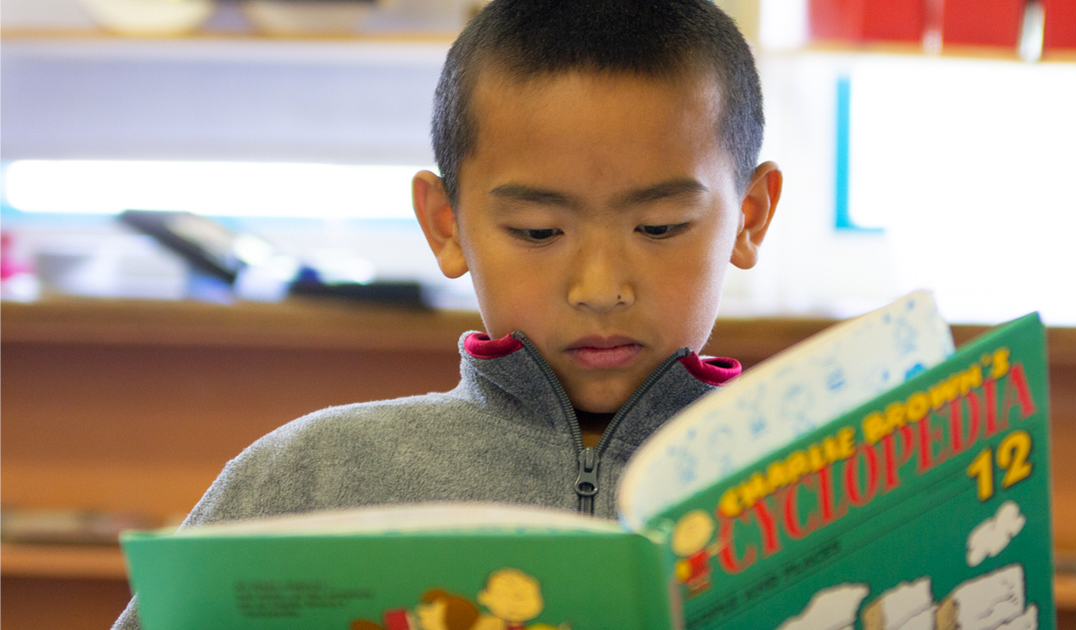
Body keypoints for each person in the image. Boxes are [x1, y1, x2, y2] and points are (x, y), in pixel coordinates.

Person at [112, 0, 781, 627]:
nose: (600, 289)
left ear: (749, 217)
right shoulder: (307, 478)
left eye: (662, 227)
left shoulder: (809, 476)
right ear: (446, 225)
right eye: (537, 231)